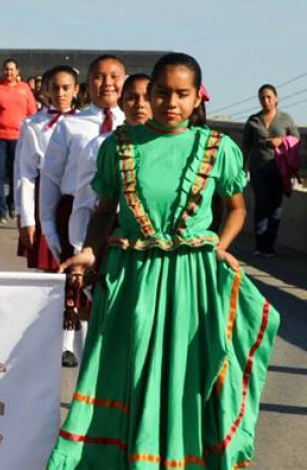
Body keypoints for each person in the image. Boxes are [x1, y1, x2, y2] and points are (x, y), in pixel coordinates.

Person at [49, 53, 280, 470]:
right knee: (130, 372)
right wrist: (89, 251)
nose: (170, 102)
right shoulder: (119, 146)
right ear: (149, 94)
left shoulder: (217, 148)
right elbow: (104, 211)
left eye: (182, 94)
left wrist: (221, 246)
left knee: (183, 377)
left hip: (191, 279)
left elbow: (238, 208)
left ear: (196, 99)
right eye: (162, 93)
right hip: (133, 277)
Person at [39, 54, 126, 368]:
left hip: (120, 219)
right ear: (88, 84)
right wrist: (47, 226)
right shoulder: (71, 125)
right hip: (76, 214)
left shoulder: (132, 126)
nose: (107, 84)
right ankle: (79, 356)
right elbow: (50, 176)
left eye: (114, 76)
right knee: (77, 290)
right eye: (100, 77)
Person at [66, 74, 151, 257]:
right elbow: (85, 201)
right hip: (112, 235)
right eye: (131, 98)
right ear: (121, 103)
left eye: (147, 98)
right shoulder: (104, 145)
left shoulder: (168, 146)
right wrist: (81, 249)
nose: (140, 104)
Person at [13, 65, 78, 273]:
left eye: (66, 88)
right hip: (44, 197)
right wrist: (26, 217)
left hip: (76, 196)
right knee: (48, 266)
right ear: (46, 90)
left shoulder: (85, 122)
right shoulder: (34, 124)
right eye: (55, 88)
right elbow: (25, 173)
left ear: (75, 90)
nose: (61, 94)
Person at [0, 59, 38, 222]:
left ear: (17, 71)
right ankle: (0, 210)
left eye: (11, 70)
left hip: (18, 137)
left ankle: (12, 203)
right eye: (6, 70)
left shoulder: (24, 89)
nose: (8, 73)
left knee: (14, 173)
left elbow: (33, 114)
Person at [243, 84, 300, 258]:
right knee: (261, 204)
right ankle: (260, 245)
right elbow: (246, 146)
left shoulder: (285, 119)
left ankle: (270, 245)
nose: (266, 101)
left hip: (278, 169)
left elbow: (296, 139)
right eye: (262, 98)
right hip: (258, 169)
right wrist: (241, 168)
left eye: (269, 97)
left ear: (276, 98)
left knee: (275, 207)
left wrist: (281, 141)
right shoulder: (254, 120)